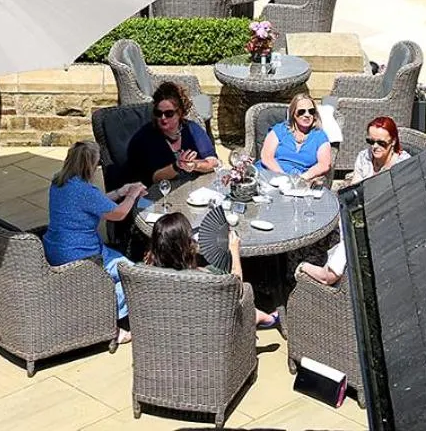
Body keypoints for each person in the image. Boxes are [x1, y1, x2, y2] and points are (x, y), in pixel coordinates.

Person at [46, 140, 143, 338]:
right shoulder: (85, 191)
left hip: (55, 250)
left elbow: (95, 203)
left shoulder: (58, 182)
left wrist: (121, 191)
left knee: (121, 262)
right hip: (83, 257)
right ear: (89, 165)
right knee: (133, 275)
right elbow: (118, 214)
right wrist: (132, 196)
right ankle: (109, 321)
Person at [299, 117, 412, 286]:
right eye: (370, 141)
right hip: (358, 214)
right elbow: (353, 192)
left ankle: (304, 267)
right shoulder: (364, 157)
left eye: (381, 143)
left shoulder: (403, 165)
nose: (375, 147)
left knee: (331, 273)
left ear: (393, 141)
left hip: (382, 222)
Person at [144, 212, 279, 328]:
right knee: (237, 296)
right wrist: (234, 252)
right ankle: (263, 317)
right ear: (184, 247)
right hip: (208, 327)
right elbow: (237, 290)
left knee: (210, 269)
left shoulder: (147, 274)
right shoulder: (205, 281)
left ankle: (262, 316)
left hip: (170, 327)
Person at [125, 81, 219, 189]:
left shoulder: (192, 129)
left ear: (180, 112)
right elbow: (154, 178)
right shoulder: (145, 137)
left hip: (191, 190)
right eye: (158, 113)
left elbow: (214, 162)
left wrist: (194, 165)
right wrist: (177, 166)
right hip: (155, 193)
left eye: (169, 113)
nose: (163, 118)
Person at [258, 92, 333, 185]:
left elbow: (324, 164)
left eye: (311, 111)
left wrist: (301, 178)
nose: (307, 115)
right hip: (270, 173)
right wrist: (283, 177)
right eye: (301, 111)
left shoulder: (319, 136)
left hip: (299, 179)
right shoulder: (280, 130)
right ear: (293, 113)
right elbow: (267, 157)